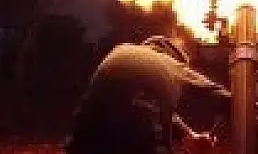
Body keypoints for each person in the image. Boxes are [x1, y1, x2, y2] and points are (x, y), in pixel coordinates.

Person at [64, 35, 231, 154]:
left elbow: (133, 103)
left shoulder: (121, 50)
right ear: (173, 56)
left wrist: (190, 136)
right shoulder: (172, 64)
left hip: (83, 144)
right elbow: (219, 94)